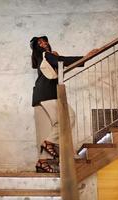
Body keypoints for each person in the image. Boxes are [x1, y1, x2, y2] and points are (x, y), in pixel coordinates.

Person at [30, 35, 99, 173]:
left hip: (43, 95)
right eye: (39, 42)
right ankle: (48, 143)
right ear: (36, 48)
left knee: (52, 128)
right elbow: (63, 61)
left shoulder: (46, 58)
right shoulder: (45, 55)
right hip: (46, 94)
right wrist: (86, 57)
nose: (43, 43)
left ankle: (42, 162)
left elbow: (59, 63)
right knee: (67, 119)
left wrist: (57, 57)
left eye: (44, 40)